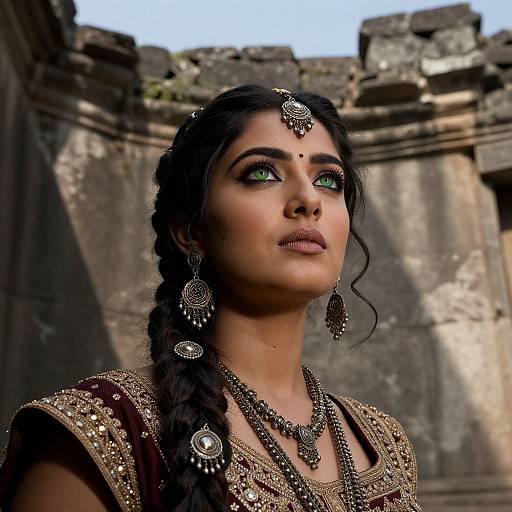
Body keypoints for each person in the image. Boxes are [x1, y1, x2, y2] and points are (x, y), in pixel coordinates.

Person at [0, 85, 421, 511]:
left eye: (328, 180)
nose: (309, 200)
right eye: (261, 173)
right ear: (190, 231)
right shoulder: (108, 432)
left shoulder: (384, 443)